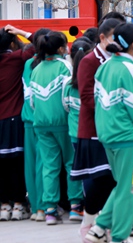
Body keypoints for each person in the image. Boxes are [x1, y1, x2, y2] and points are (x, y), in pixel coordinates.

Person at [84, 23, 133, 243]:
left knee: (123, 186)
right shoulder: (129, 69)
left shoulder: (105, 67)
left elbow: (98, 104)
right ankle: (120, 236)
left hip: (108, 137)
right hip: (128, 138)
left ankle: (98, 229)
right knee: (130, 188)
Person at [73, 18, 122, 238]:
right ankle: (90, 220)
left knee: (114, 179)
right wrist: (112, 109)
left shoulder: (119, 60)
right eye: (114, 37)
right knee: (101, 179)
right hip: (93, 129)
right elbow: (86, 96)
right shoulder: (89, 61)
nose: (118, 42)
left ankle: (105, 223)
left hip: (114, 128)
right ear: (102, 38)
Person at [29, 31, 83, 225]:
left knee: (49, 166)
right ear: (61, 49)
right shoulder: (65, 66)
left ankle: (50, 210)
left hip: (41, 124)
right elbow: (67, 96)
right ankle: (76, 207)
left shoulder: (36, 69)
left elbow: (32, 101)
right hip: (62, 121)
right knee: (71, 164)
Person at [0, 25, 35, 222]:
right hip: (14, 119)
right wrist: (20, 33)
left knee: (2, 165)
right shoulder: (15, 60)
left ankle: (4, 204)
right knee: (16, 163)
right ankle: (19, 204)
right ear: (11, 43)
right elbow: (39, 44)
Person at [19, 28, 49, 222]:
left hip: (29, 119)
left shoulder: (29, 63)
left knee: (30, 164)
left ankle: (36, 208)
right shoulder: (57, 64)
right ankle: (46, 206)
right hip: (47, 119)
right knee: (46, 163)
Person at [62, 38, 93, 219]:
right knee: (92, 170)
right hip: (91, 132)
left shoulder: (68, 83)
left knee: (75, 168)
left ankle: (75, 206)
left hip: (74, 132)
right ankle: (91, 205)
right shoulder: (93, 78)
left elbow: (65, 105)